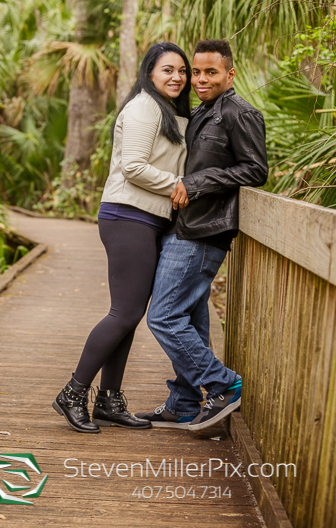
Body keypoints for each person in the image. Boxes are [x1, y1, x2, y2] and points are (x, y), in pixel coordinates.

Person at [53, 42, 191, 433]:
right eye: (168, 69)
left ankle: (109, 400)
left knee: (129, 314)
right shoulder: (144, 107)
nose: (177, 76)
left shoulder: (167, 111)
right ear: (150, 72)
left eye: (181, 70)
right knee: (125, 312)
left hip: (146, 219)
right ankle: (74, 392)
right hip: (128, 216)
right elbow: (132, 166)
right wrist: (180, 185)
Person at [136, 39, 268, 431]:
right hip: (184, 226)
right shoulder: (201, 112)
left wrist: (199, 182)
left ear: (230, 73)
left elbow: (255, 169)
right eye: (196, 71)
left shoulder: (240, 114)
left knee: (162, 316)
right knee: (189, 321)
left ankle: (222, 384)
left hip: (204, 232)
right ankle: (185, 401)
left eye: (211, 72)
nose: (200, 79)